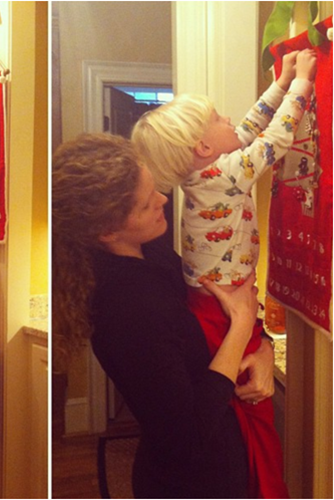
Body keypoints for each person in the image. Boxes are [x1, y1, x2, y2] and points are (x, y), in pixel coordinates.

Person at [131, 49, 316, 498]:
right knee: (253, 411)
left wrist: (281, 82)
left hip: (212, 300)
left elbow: (247, 129)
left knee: (250, 405)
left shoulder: (211, 170)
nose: (229, 117)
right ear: (202, 149)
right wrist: (303, 83)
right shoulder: (225, 174)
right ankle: (264, 486)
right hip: (222, 308)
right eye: (216, 117)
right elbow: (275, 140)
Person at [53, 133, 276, 498]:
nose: (163, 200)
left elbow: (218, 310)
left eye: (154, 188)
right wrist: (241, 328)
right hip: (191, 483)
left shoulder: (151, 250)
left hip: (224, 449)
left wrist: (262, 347)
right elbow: (186, 438)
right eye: (146, 204)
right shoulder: (126, 308)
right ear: (107, 230)